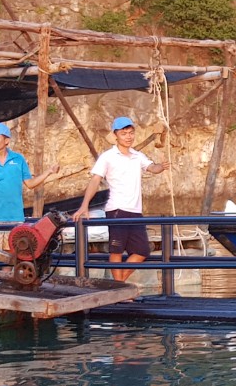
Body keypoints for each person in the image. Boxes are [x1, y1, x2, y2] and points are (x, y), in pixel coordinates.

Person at [72, 116, 171, 282]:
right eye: (124, 133)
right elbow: (95, 180)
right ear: (115, 135)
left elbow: (152, 168)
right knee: (116, 250)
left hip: (135, 211)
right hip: (117, 209)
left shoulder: (137, 156)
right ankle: (119, 286)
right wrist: (84, 205)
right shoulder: (108, 156)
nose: (128, 137)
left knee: (142, 251)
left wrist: (162, 167)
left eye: (131, 133)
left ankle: (118, 284)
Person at [0, 122, 59, 249]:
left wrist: (49, 172)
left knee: (13, 256)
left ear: (6, 140)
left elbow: (30, 184)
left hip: (15, 218)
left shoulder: (18, 159)